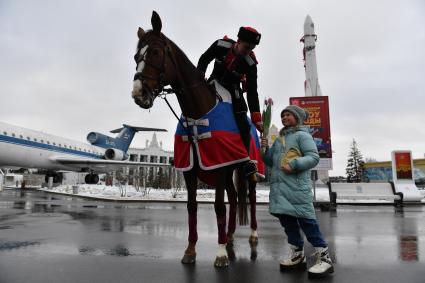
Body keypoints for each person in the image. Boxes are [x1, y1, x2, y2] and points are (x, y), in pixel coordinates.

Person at [260, 105, 334, 278]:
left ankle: (325, 258)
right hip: (280, 190)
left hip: (297, 190)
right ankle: (297, 255)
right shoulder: (279, 140)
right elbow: (271, 162)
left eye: (288, 115)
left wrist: (294, 165)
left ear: (297, 118)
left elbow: (313, 157)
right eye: (283, 115)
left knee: (308, 224)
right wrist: (264, 149)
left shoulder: (303, 135)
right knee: (288, 224)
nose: (285, 118)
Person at [197, 27, 263, 176]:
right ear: (238, 41)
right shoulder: (221, 44)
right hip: (213, 83)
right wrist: (200, 75)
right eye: (247, 47)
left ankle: (246, 160)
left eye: (252, 48)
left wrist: (256, 117)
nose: (249, 51)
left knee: (244, 123)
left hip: (233, 89)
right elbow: (204, 58)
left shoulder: (251, 63)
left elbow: (252, 91)